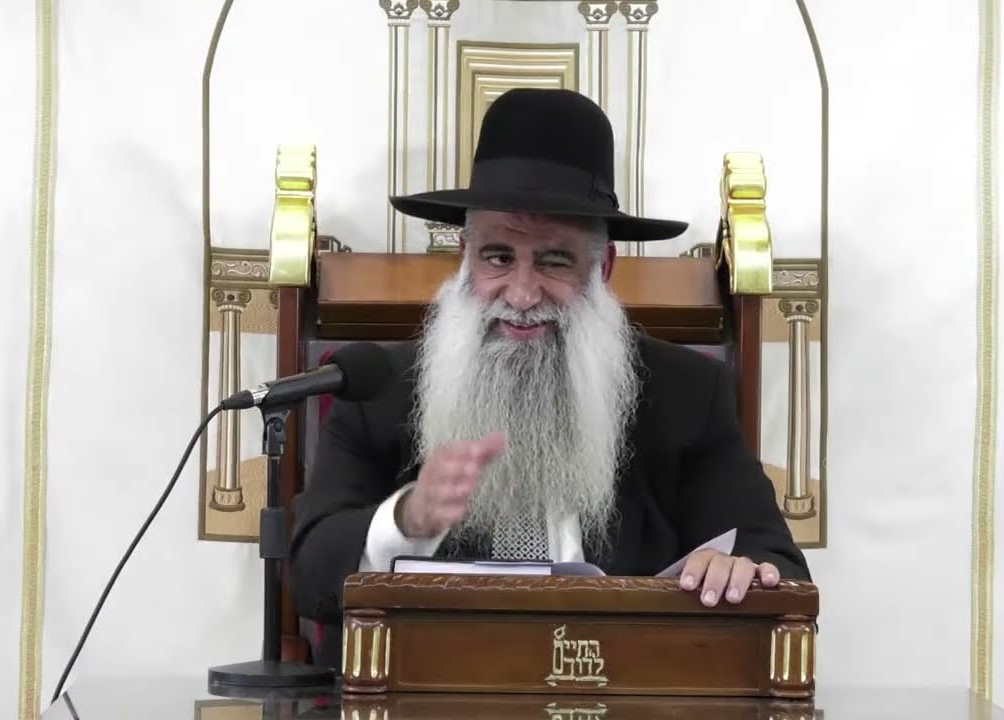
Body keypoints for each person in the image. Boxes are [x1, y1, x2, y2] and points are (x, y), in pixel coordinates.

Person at [288, 87, 811, 648]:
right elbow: (310, 578)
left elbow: (777, 566)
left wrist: (738, 572)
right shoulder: (377, 387)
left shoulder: (686, 392)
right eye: (498, 257)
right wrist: (406, 520)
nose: (521, 294)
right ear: (465, 257)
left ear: (602, 267)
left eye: (554, 261)